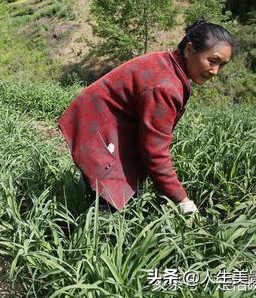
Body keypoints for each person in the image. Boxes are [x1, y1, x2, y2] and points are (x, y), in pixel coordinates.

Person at [58, 20, 234, 213]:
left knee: (125, 192)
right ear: (190, 50)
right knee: (109, 203)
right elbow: (155, 152)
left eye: (222, 65)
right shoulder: (165, 86)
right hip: (94, 126)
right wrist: (182, 200)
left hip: (104, 123)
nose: (215, 71)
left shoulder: (168, 63)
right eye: (212, 60)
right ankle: (87, 239)